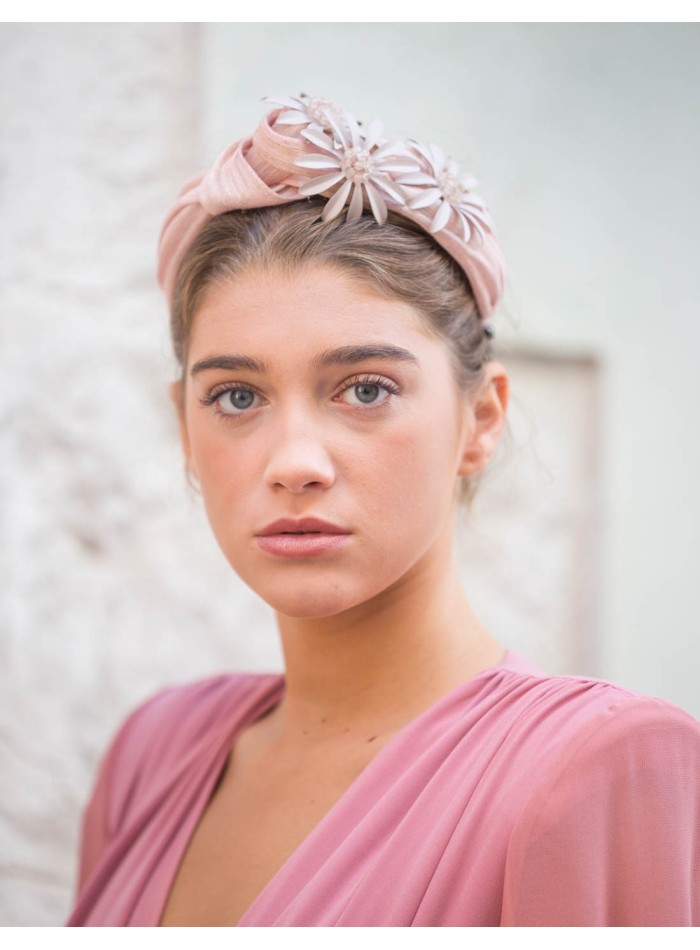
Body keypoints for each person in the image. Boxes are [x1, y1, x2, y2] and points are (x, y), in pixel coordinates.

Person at [66, 94, 700, 927]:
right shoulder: (152, 756)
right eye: (235, 395)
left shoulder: (606, 766)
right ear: (185, 426)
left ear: (482, 418)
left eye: (366, 389)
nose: (294, 463)